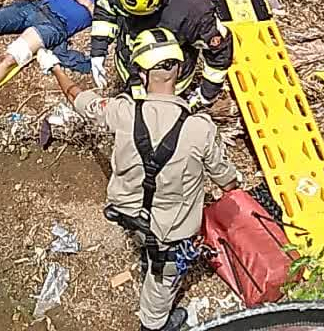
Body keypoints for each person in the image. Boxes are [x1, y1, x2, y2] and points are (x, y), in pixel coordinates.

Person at [36, 29, 240, 331]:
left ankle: (146, 258)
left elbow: (78, 98)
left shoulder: (122, 111)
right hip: (171, 230)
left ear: (142, 74)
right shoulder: (200, 129)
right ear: (181, 70)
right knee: (162, 281)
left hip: (126, 212)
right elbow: (228, 182)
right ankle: (153, 324)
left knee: (148, 245)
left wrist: (54, 67)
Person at [91, 0, 233, 106]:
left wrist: (207, 94)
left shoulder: (194, 10)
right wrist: (98, 50)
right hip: (128, 65)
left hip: (169, 84)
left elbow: (220, 51)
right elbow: (104, 8)